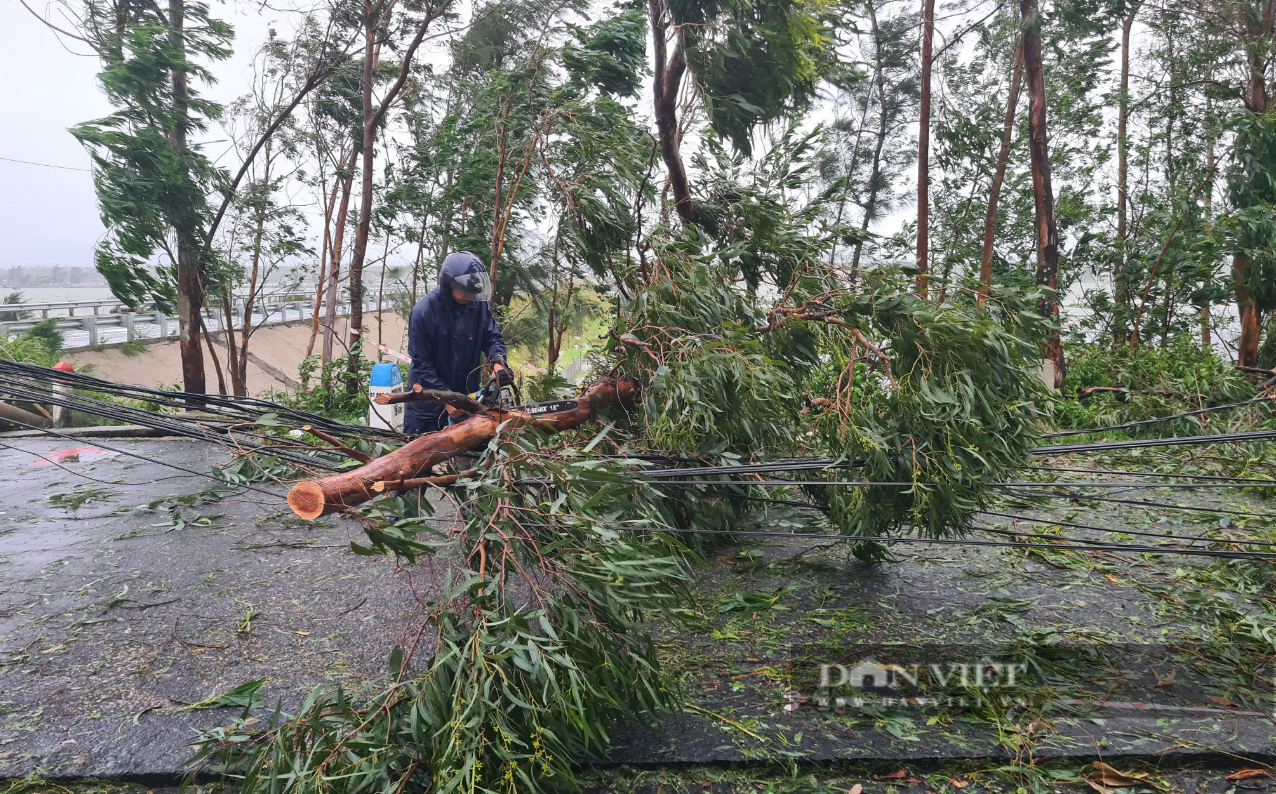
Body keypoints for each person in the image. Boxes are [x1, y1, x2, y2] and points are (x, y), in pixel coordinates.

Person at [404, 252, 508, 435]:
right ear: (448, 285)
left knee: (469, 455)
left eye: (473, 293)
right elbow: (422, 364)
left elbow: (491, 336)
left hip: (466, 398)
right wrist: (445, 397)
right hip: (427, 404)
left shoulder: (477, 305)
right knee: (418, 457)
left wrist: (498, 361)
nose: (469, 297)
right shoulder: (423, 313)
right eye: (465, 292)